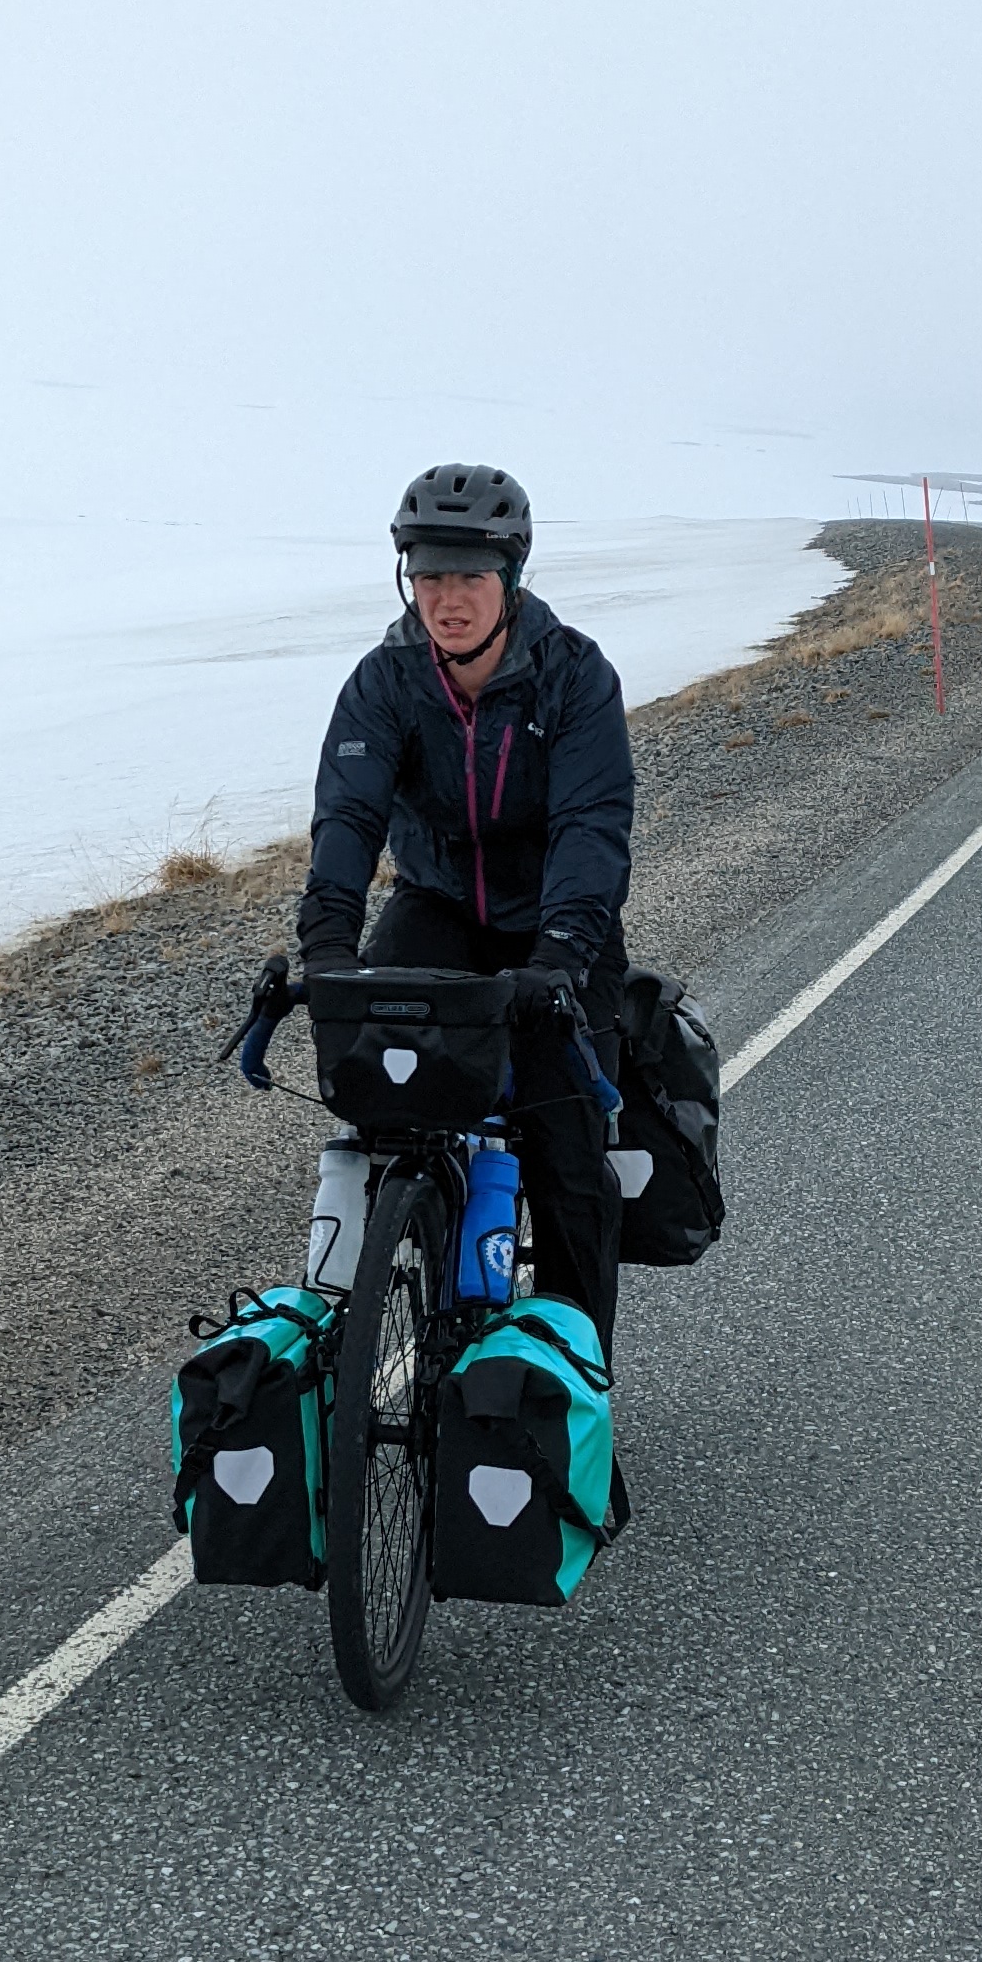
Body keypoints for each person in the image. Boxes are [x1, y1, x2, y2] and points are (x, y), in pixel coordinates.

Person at [296, 461, 635, 1347]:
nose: (447, 599)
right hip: (439, 905)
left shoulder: (573, 676)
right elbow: (347, 817)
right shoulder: (388, 681)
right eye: (429, 575)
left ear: (511, 577)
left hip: (556, 926)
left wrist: (561, 955)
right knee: (381, 1091)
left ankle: (574, 1379)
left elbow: (591, 829)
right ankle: (389, 1288)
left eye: (469, 577)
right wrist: (327, 945)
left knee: (567, 1151)